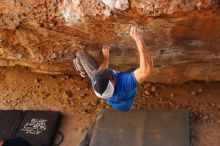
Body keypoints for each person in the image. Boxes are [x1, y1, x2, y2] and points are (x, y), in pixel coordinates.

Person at [73, 27, 153, 112]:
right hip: (125, 105)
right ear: (113, 82)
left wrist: (106, 58)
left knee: (80, 55)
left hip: (114, 97)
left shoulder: (97, 84)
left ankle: (81, 70)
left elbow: (101, 70)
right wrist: (138, 40)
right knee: (139, 67)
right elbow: (146, 70)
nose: (103, 71)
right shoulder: (125, 84)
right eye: (106, 74)